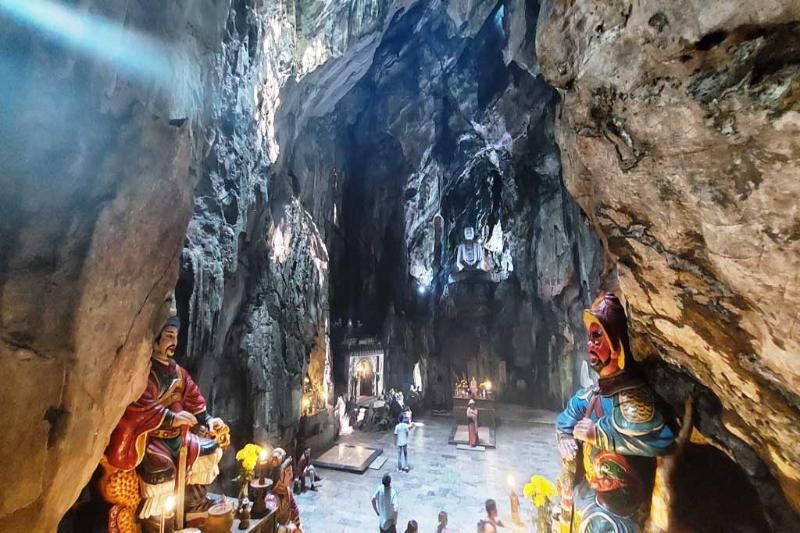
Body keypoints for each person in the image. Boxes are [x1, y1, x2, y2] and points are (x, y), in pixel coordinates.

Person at [555, 292, 675, 532]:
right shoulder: (590, 396)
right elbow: (565, 420)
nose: (590, 345)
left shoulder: (633, 397)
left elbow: (664, 440)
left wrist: (598, 434)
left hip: (623, 507)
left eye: (597, 338)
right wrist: (565, 438)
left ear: (616, 347)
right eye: (590, 338)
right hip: (591, 493)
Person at [101, 316, 230, 532]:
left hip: (179, 436)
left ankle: (193, 505)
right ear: (155, 339)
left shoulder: (177, 372)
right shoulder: (146, 372)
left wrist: (209, 420)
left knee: (209, 449)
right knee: (161, 472)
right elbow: (141, 406)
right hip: (152, 439)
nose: (174, 342)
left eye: (176, 337)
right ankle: (158, 524)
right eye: (169, 336)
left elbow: (194, 398)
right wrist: (172, 418)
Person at [265, 448, 303, 532]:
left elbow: (294, 509)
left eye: (291, 472)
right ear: (280, 477)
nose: (292, 476)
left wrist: (298, 526)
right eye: (288, 473)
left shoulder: (287, 491)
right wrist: (288, 530)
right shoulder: (272, 499)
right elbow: (270, 524)